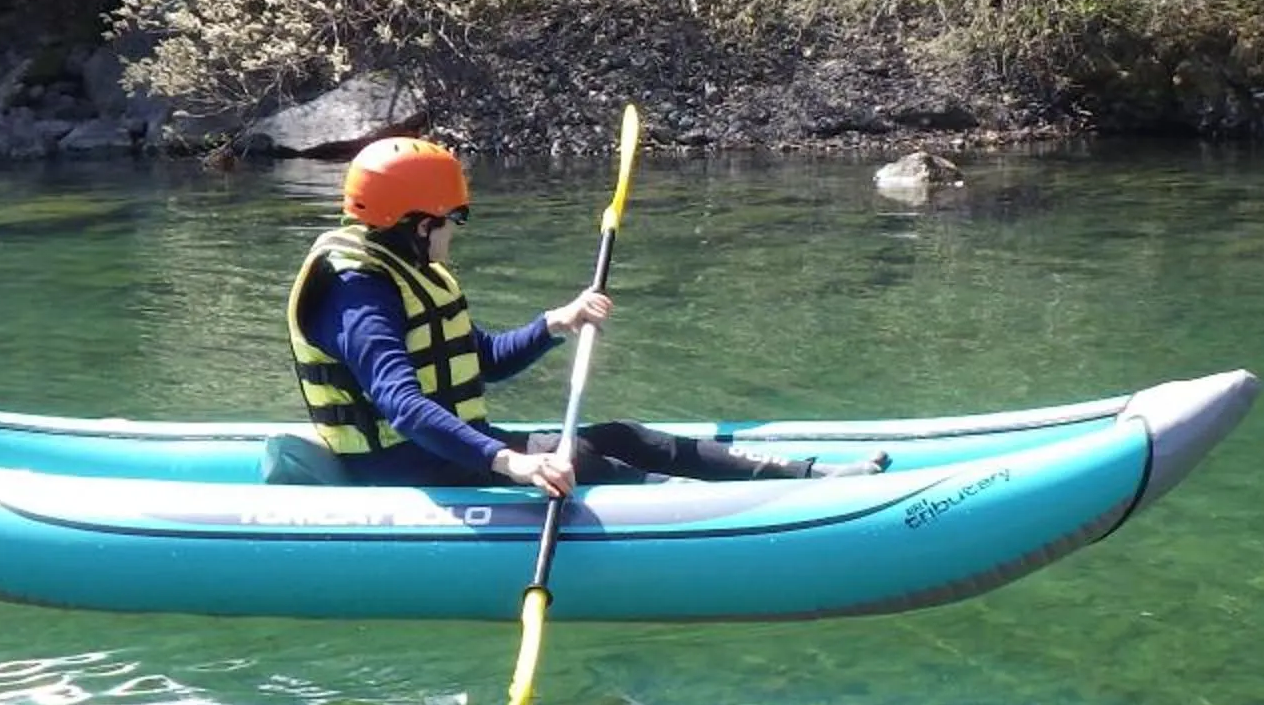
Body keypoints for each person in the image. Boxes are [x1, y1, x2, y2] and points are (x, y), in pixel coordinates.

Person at [285, 136, 885, 494]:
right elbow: (401, 405)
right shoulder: (357, 293)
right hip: (398, 464)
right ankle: (707, 513)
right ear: (420, 224)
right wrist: (512, 463)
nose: (455, 233)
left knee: (623, 435)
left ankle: (808, 478)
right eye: (453, 220)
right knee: (583, 457)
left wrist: (557, 323)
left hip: (446, 447)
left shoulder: (408, 270)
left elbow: (479, 361)